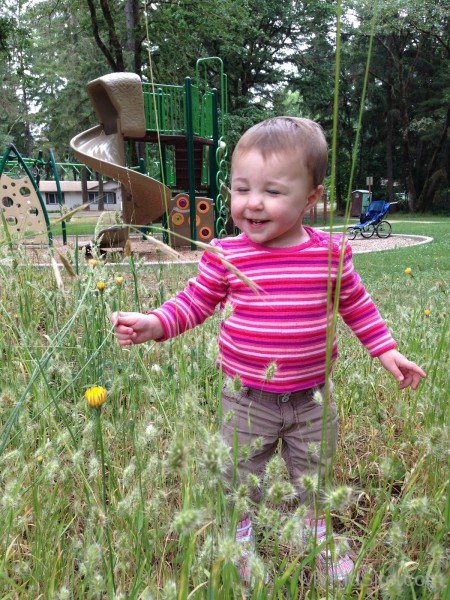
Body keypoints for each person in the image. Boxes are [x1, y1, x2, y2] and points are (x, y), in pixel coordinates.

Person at [110, 117, 426, 586]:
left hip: (311, 399)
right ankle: (239, 534)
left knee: (314, 475)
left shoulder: (330, 254)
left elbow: (356, 306)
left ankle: (313, 532)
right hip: (246, 398)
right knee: (238, 476)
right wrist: (156, 322)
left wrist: (387, 351)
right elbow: (194, 302)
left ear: (312, 198)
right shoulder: (226, 254)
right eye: (241, 189)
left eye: (273, 192)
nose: (253, 203)